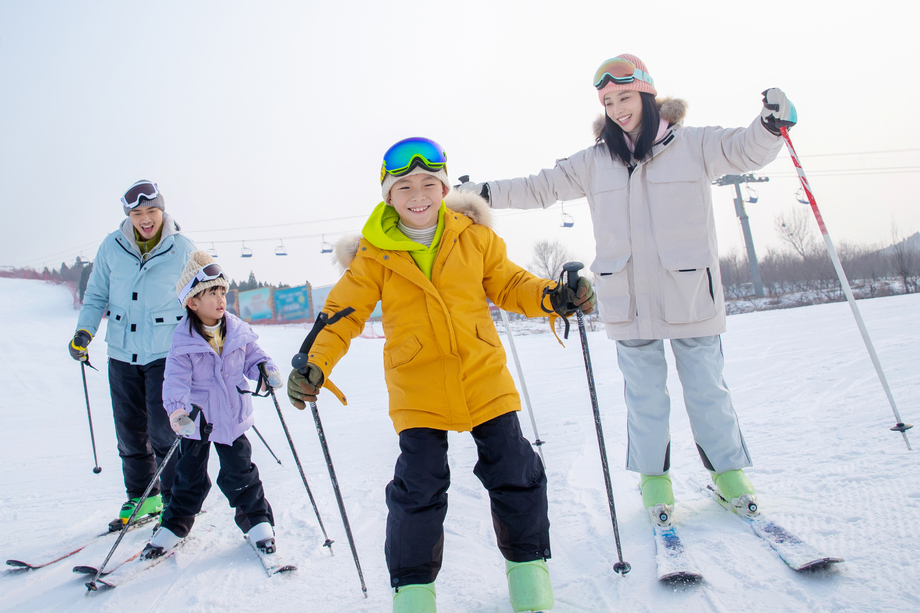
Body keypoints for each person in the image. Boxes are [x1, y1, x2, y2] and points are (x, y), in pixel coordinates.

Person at [457, 54, 797, 527]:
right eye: (609, 101)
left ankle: (729, 473)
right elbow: (541, 187)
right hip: (628, 299)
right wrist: (484, 193)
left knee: (707, 390)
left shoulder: (695, 145)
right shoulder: (595, 161)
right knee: (644, 395)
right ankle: (654, 479)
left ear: (647, 94)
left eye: (625, 97)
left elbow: (746, 149)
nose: (618, 108)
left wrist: (769, 124)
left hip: (689, 293)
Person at [286, 137, 594, 613]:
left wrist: (554, 296)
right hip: (418, 382)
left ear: (444, 187)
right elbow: (342, 314)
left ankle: (528, 573)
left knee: (514, 468)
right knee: (419, 484)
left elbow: (512, 284)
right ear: (388, 196)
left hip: (481, 371)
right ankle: (413, 593)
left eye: (429, 183)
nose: (418, 195)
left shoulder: (473, 236)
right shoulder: (372, 255)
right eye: (404, 186)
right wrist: (316, 361)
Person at [69, 180, 197, 529]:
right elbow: (96, 295)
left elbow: (204, 297)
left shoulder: (183, 248)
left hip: (166, 354)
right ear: (129, 215)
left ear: (162, 212)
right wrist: (85, 331)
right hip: (122, 353)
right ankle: (143, 497)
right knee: (128, 431)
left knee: (164, 430)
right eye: (137, 213)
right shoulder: (112, 247)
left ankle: (174, 500)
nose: (145, 219)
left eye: (151, 211)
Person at [144, 251, 284, 559]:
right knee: (188, 478)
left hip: (233, 418)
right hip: (198, 421)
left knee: (241, 473)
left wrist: (266, 371)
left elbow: (253, 357)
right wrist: (177, 411)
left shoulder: (237, 331)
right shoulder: (183, 341)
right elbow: (175, 381)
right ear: (192, 302)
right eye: (211, 293)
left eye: (222, 291)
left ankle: (257, 522)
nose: (221, 299)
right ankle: (175, 525)